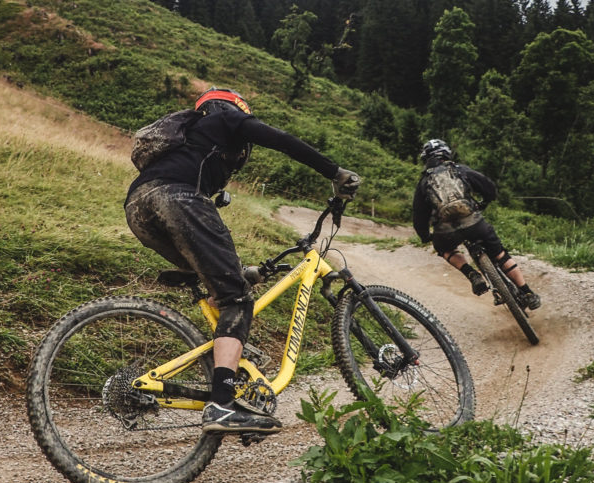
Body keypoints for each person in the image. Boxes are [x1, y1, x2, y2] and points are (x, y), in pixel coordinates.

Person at [124, 87, 361, 435]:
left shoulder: (189, 137)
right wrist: (333, 171)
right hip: (178, 198)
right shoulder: (224, 117)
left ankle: (232, 364)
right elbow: (281, 139)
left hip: (138, 207)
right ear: (233, 107)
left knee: (225, 283)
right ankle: (221, 405)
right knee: (237, 298)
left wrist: (238, 270)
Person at [412, 139, 541, 310]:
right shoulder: (459, 170)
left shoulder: (424, 182)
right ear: (446, 153)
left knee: (445, 250)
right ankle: (527, 292)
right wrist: (484, 202)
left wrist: (425, 236)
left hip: (446, 232)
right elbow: (489, 188)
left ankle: (472, 274)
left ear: (426, 158)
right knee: (500, 255)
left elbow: (419, 215)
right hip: (474, 223)